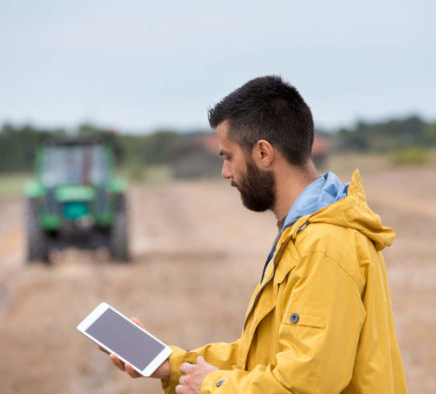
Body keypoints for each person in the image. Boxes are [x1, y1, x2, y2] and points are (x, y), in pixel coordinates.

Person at [101, 76, 408, 393]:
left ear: (263, 153)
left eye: (229, 157)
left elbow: (306, 384)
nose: (226, 172)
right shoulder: (304, 233)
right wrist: (170, 364)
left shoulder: (323, 245)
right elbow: (263, 357)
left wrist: (213, 384)